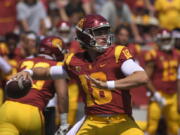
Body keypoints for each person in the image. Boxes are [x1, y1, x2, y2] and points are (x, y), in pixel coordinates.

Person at [10, 14, 148, 135]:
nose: (104, 37)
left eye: (106, 32)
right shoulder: (75, 61)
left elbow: (142, 77)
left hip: (121, 120)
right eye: (99, 32)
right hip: (93, 121)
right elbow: (48, 72)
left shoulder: (117, 53)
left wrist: (109, 85)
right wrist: (28, 71)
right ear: (85, 36)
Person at [0, 36, 69, 135]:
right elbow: (62, 95)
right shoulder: (57, 66)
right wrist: (63, 122)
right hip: (31, 111)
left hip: (8, 108)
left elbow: (10, 85)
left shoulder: (23, 61)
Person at [144, 29, 180, 135]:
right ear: (158, 40)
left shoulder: (177, 54)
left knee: (174, 126)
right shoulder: (153, 54)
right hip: (158, 94)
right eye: (163, 40)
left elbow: (179, 78)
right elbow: (145, 78)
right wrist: (155, 94)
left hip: (172, 95)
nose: (166, 42)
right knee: (152, 126)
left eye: (168, 39)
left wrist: (179, 98)